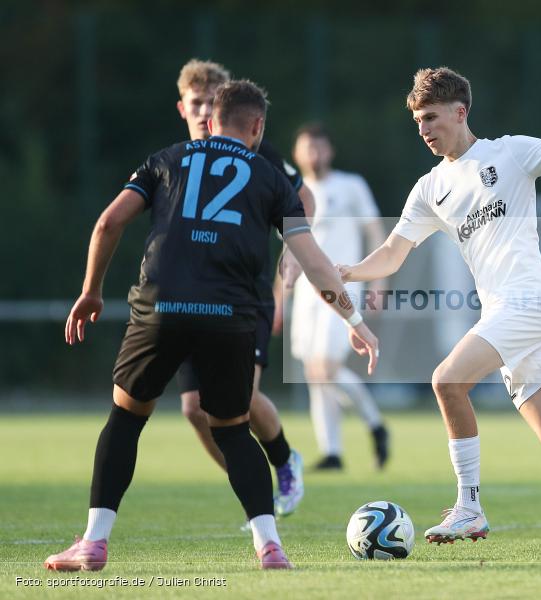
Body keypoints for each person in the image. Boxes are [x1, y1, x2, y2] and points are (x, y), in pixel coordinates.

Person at [44, 80, 378, 571]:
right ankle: (269, 546)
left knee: (126, 420)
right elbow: (314, 261)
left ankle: (93, 542)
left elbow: (108, 224)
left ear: (209, 120)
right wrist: (353, 317)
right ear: (257, 126)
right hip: (230, 317)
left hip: (161, 309)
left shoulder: (166, 160)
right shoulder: (271, 178)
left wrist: (91, 290)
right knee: (233, 431)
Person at [337, 66, 541, 545]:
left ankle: (469, 508)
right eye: (418, 121)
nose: (423, 129)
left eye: (431, 117)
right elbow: (390, 255)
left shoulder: (509, 152)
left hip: (529, 299)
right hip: (502, 312)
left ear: (460, 111)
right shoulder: (429, 189)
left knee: (447, 381)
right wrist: (346, 271)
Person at [172, 59, 313, 517]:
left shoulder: (255, 151)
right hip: (188, 297)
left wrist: (293, 249)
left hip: (243, 296)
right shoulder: (178, 158)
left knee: (239, 398)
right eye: (196, 103)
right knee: (194, 409)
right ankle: (255, 496)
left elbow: (304, 195)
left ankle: (284, 461)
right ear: (183, 108)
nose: (203, 111)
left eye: (211, 103)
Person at [283, 123, 390, 471]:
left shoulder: (351, 185)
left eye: (319, 147)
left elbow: (375, 231)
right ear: (297, 153)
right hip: (306, 293)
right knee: (314, 373)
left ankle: (375, 423)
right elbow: (289, 251)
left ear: (329, 151)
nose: (314, 154)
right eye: (307, 148)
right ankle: (332, 452)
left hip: (342, 288)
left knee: (325, 368)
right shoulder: (293, 192)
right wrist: (279, 297)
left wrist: (378, 282)